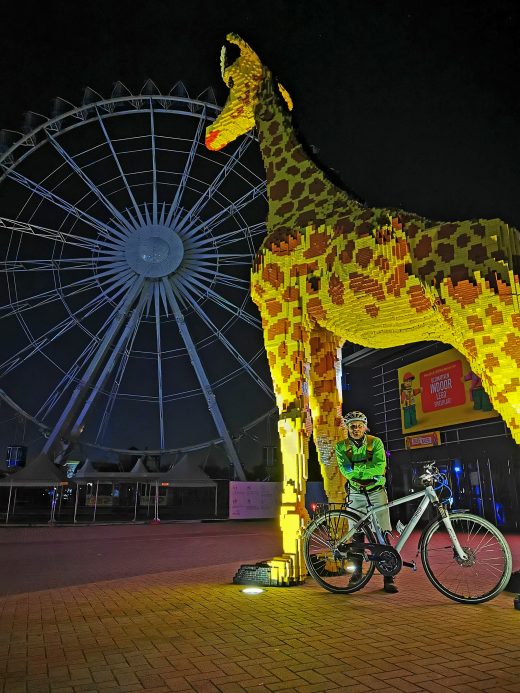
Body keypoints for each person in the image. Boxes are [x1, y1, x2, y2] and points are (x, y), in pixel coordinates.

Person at [335, 410, 398, 594]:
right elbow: (346, 471)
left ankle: (388, 577)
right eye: (352, 426)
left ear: (365, 427)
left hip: (377, 492)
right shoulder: (341, 447)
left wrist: (358, 469)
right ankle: (356, 575)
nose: (356, 429)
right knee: (357, 535)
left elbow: (380, 467)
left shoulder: (375, 442)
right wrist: (367, 470)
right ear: (347, 428)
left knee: (382, 534)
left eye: (359, 426)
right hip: (356, 494)